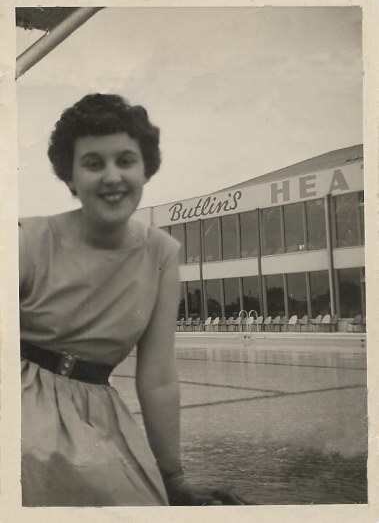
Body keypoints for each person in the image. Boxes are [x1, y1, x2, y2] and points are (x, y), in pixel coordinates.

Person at [19, 93, 247, 506]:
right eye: (93, 163)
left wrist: (173, 477)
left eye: (125, 161)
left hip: (95, 415)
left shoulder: (161, 253)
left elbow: (158, 377)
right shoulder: (27, 240)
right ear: (69, 178)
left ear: (145, 171)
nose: (112, 176)